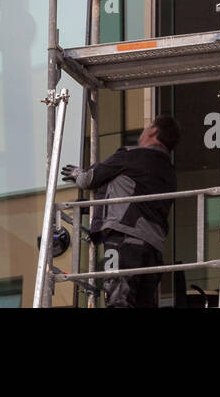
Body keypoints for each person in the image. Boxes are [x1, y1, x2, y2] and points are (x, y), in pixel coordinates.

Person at [61, 115, 180, 308]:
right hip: (154, 250)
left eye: (146, 127)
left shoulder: (133, 155)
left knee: (118, 302)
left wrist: (77, 173)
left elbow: (89, 179)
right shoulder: (169, 172)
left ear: (153, 131)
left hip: (124, 242)